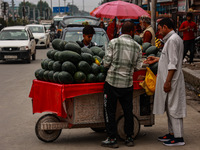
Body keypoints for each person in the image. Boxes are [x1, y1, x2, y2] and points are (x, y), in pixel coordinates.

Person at [144, 18, 186, 146]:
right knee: (169, 107)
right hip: (170, 80)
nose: (159, 31)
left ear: (166, 27)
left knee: (174, 108)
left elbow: (173, 63)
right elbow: (169, 58)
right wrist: (157, 59)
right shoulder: (172, 40)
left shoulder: (173, 40)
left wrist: (167, 81)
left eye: (160, 28)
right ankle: (172, 133)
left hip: (172, 80)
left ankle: (178, 138)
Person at [101, 21, 143, 148]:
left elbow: (106, 63)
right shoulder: (137, 46)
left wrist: (104, 62)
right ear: (132, 32)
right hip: (127, 84)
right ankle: (129, 137)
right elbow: (138, 66)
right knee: (128, 111)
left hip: (112, 82)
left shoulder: (113, 42)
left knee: (110, 111)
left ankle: (112, 138)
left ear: (121, 30)